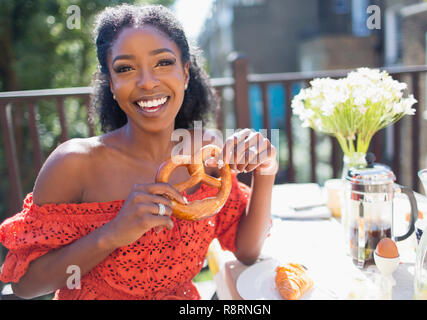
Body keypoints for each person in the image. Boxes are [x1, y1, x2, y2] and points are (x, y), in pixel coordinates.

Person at [0, 4, 277, 300]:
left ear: (185, 73)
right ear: (112, 84)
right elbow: (26, 286)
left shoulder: (205, 153)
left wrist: (266, 171)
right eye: (125, 68)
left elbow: (247, 252)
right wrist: (113, 233)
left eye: (163, 63)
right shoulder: (75, 163)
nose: (147, 82)